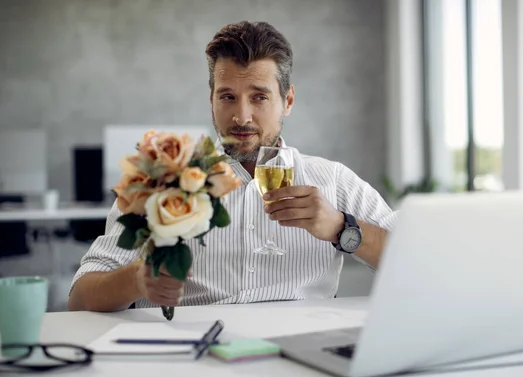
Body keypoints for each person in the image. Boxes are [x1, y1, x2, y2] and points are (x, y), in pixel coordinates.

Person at [68, 21, 396, 312]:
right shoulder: (161, 179)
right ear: (211, 99)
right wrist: (136, 281)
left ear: (288, 101)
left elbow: (416, 264)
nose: (241, 116)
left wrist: (342, 228)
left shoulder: (334, 181)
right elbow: (80, 298)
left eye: (259, 97)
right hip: (188, 360)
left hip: (301, 364)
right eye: (227, 97)